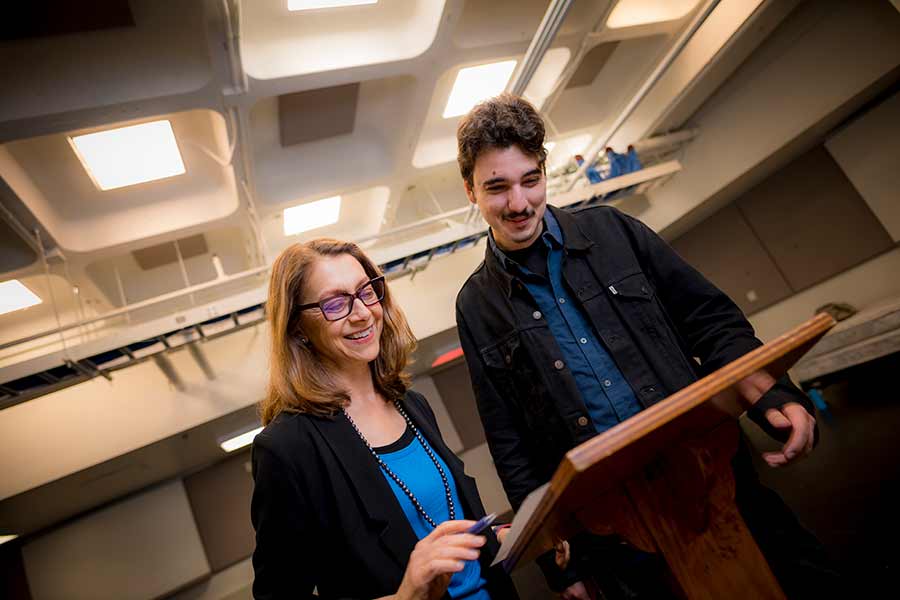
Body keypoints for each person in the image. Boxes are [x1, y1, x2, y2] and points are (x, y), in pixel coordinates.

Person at [454, 94, 840, 599]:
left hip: (714, 473)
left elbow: (711, 321)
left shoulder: (613, 231)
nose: (520, 203)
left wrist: (774, 395)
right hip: (615, 526)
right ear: (470, 191)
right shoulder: (476, 306)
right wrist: (562, 565)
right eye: (497, 188)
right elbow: (511, 443)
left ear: (545, 170)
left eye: (531, 179)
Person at [251, 239, 518, 600]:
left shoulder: (412, 404)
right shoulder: (287, 447)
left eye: (366, 291)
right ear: (298, 328)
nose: (361, 312)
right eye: (335, 303)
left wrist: (504, 538)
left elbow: (443, 527)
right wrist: (404, 596)